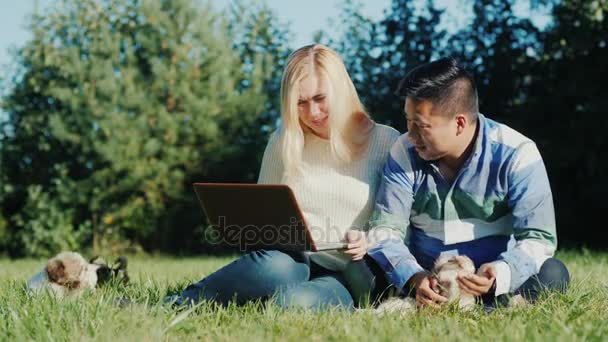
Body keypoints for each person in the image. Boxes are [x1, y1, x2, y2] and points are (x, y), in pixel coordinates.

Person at [165, 44, 399, 310]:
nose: (312, 113)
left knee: (291, 304)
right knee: (276, 267)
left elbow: (401, 224)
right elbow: (262, 215)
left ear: (342, 90)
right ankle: (177, 304)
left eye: (320, 98)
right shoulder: (284, 141)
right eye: (300, 102)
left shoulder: (385, 141)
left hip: (348, 275)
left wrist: (370, 240)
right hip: (290, 261)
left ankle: (262, 298)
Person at [362, 57, 570, 310]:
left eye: (422, 126)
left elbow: (538, 239)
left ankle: (490, 304)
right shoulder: (403, 151)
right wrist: (414, 276)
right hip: (427, 278)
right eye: (408, 121)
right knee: (365, 267)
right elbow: (385, 231)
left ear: (459, 123)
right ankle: (443, 303)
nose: (411, 135)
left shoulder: (518, 153)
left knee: (553, 273)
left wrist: (501, 275)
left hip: (493, 280)